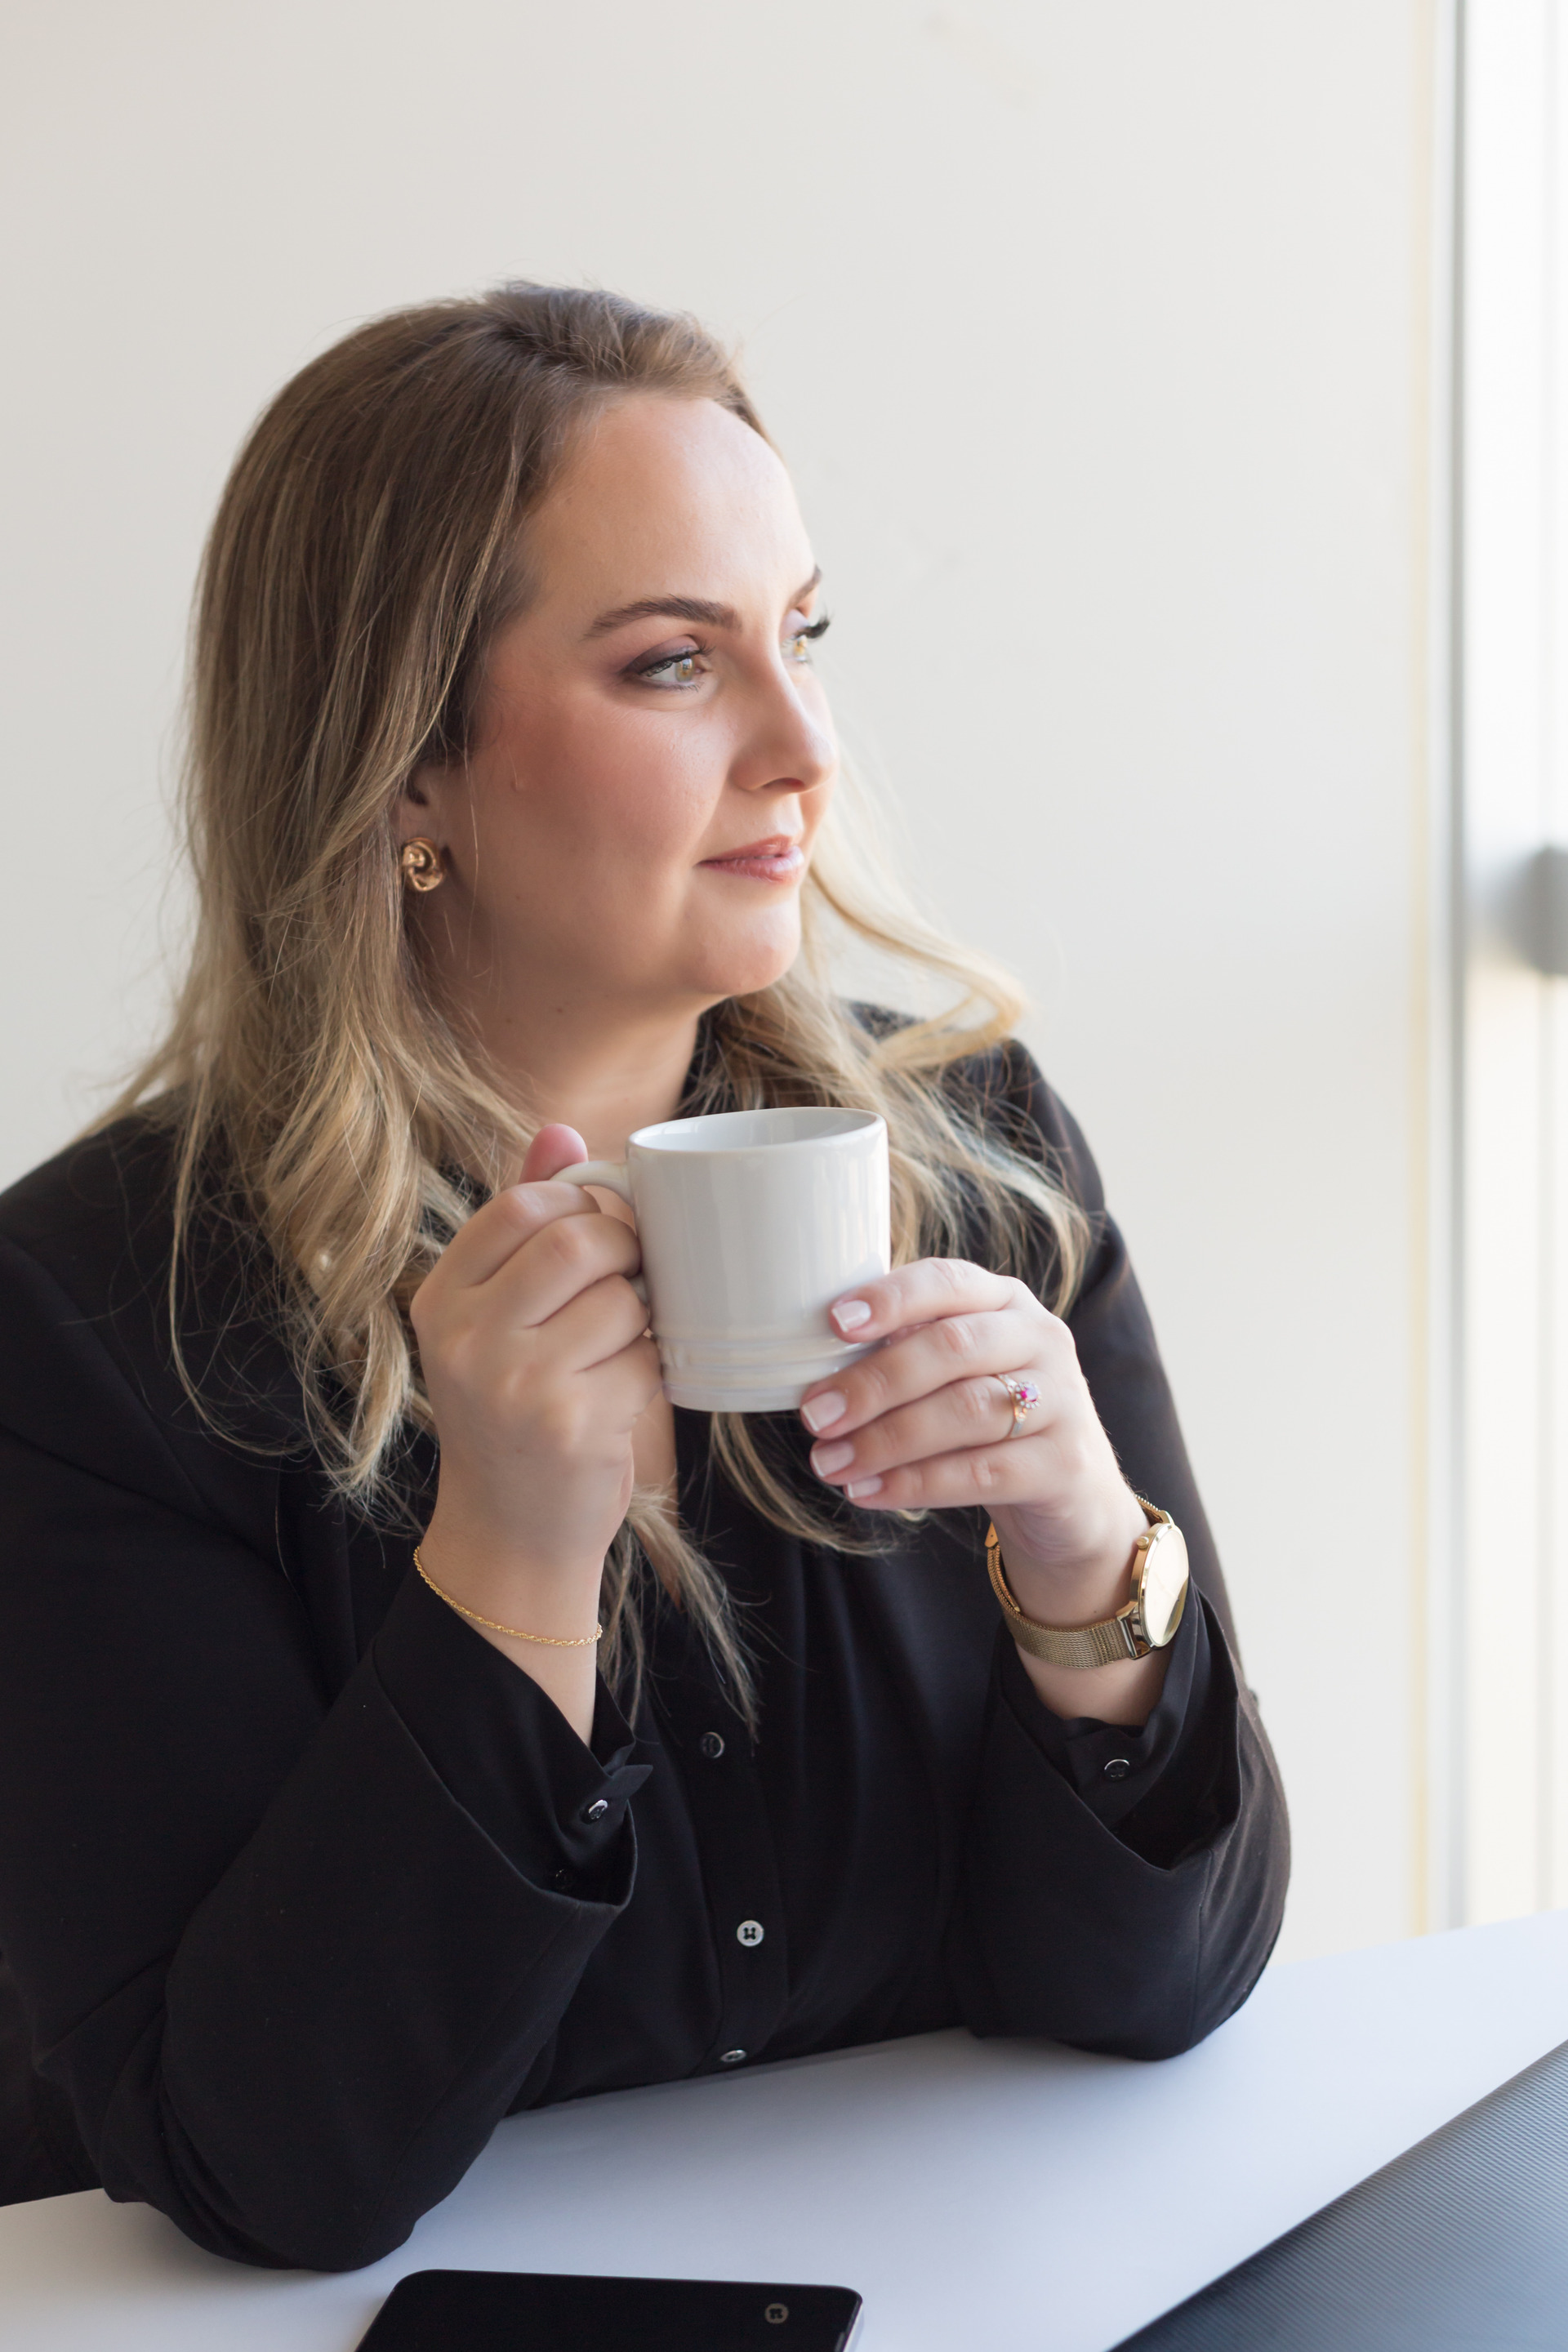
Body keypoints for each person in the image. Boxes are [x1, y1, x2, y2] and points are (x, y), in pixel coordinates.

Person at [0, 285, 1288, 2270]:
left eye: (806, 636)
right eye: (676, 663)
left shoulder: (982, 1160)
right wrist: (507, 1566)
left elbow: (1156, 1995)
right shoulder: (93, 1321)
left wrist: (1080, 1557)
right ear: (404, 773)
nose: (804, 745)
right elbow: (267, 2169)